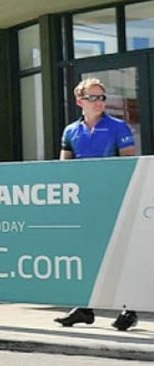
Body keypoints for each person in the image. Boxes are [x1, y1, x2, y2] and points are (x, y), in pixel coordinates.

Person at [54, 78, 138, 331]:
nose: (100, 102)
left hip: (114, 200)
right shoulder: (70, 131)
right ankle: (85, 308)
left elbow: (128, 165)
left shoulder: (118, 127)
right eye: (94, 97)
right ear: (80, 101)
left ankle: (129, 309)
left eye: (102, 97)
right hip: (83, 202)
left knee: (119, 255)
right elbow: (64, 168)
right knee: (87, 256)